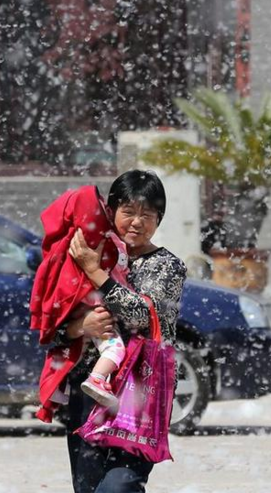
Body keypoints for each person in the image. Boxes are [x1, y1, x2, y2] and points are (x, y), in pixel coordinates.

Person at [56, 169, 187, 493]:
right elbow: (54, 328)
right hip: (89, 390)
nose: (137, 222)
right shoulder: (92, 252)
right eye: (128, 212)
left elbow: (141, 314)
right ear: (111, 211)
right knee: (88, 488)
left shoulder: (167, 266)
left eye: (147, 214)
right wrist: (78, 327)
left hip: (139, 392)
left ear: (159, 219)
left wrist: (94, 271)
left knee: (117, 487)